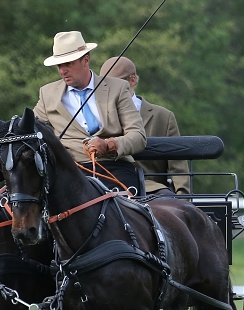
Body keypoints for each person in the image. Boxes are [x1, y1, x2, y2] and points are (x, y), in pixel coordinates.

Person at [34, 31, 146, 192]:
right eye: (59, 65)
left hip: (114, 167)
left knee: (124, 211)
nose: (62, 71)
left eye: (68, 64)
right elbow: (32, 133)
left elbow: (138, 136)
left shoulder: (117, 88)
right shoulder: (47, 94)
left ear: (85, 60)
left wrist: (110, 145)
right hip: (70, 171)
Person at [99, 56, 190, 194]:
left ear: (133, 80)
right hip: (107, 188)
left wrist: (182, 198)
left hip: (150, 190)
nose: (112, 90)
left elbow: (178, 166)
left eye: (117, 84)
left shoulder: (163, 117)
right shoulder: (95, 114)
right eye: (106, 85)